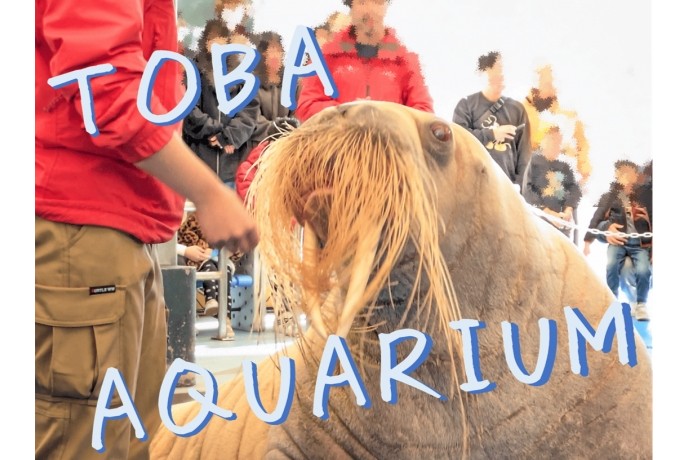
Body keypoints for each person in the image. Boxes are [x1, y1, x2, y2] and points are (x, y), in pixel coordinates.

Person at [35, 1, 258, 458]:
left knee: (138, 433)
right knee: (89, 436)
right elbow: (107, 93)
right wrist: (209, 193)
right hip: (82, 223)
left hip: (122, 224)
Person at [295, 0, 434, 121]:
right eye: (362, 2)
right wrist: (349, 113)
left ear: (386, 5)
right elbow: (306, 106)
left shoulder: (406, 62)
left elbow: (424, 113)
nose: (370, 10)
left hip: (388, 148)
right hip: (338, 148)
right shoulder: (325, 56)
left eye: (377, 2)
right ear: (351, 5)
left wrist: (385, 117)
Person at [183, 19, 260, 187]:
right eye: (213, 38)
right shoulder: (192, 72)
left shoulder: (241, 74)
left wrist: (229, 136)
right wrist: (216, 132)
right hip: (199, 164)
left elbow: (249, 112)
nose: (217, 43)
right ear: (205, 42)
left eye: (222, 38)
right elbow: (189, 110)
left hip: (232, 166)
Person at [452, 51, 532, 190]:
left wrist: (519, 186)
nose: (501, 75)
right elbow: (458, 140)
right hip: (474, 186)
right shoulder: (466, 105)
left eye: (502, 70)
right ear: (483, 72)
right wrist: (492, 134)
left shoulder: (517, 109)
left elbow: (524, 154)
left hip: (507, 188)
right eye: (496, 69)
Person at [583, 160, 652, 321]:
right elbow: (596, 219)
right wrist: (589, 240)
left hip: (640, 243)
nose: (627, 179)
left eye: (630, 174)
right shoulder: (610, 196)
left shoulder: (645, 196)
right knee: (611, 265)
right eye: (622, 174)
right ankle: (611, 301)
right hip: (619, 241)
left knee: (643, 269)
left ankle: (641, 303)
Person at [522, 125, 582, 238]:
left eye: (559, 142)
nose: (556, 145)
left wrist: (568, 210)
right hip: (538, 225)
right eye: (553, 140)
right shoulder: (532, 162)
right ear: (544, 141)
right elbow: (527, 191)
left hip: (561, 226)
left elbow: (575, 190)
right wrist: (548, 213)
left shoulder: (564, 167)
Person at [247, 31, 293, 152]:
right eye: (271, 50)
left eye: (278, 50)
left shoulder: (291, 83)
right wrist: (276, 129)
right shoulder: (250, 83)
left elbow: (296, 114)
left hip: (286, 147)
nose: (275, 56)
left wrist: (290, 129)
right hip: (258, 146)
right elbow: (252, 117)